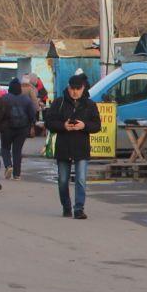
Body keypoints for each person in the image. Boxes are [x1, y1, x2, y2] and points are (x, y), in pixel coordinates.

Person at [45, 72, 101, 219]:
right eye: (73, 89)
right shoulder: (59, 103)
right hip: (64, 147)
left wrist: (84, 125)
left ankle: (79, 208)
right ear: (68, 88)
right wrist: (63, 125)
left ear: (83, 88)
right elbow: (49, 123)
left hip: (81, 147)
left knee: (81, 179)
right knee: (63, 180)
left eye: (78, 89)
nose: (75, 92)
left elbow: (97, 126)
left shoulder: (90, 104)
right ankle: (66, 206)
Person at [3, 80, 38, 179]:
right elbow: (32, 113)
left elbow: (0, 113)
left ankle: (8, 165)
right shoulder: (26, 99)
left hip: (7, 128)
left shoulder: (5, 98)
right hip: (22, 129)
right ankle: (17, 174)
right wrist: (32, 123)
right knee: (17, 150)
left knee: (5, 148)